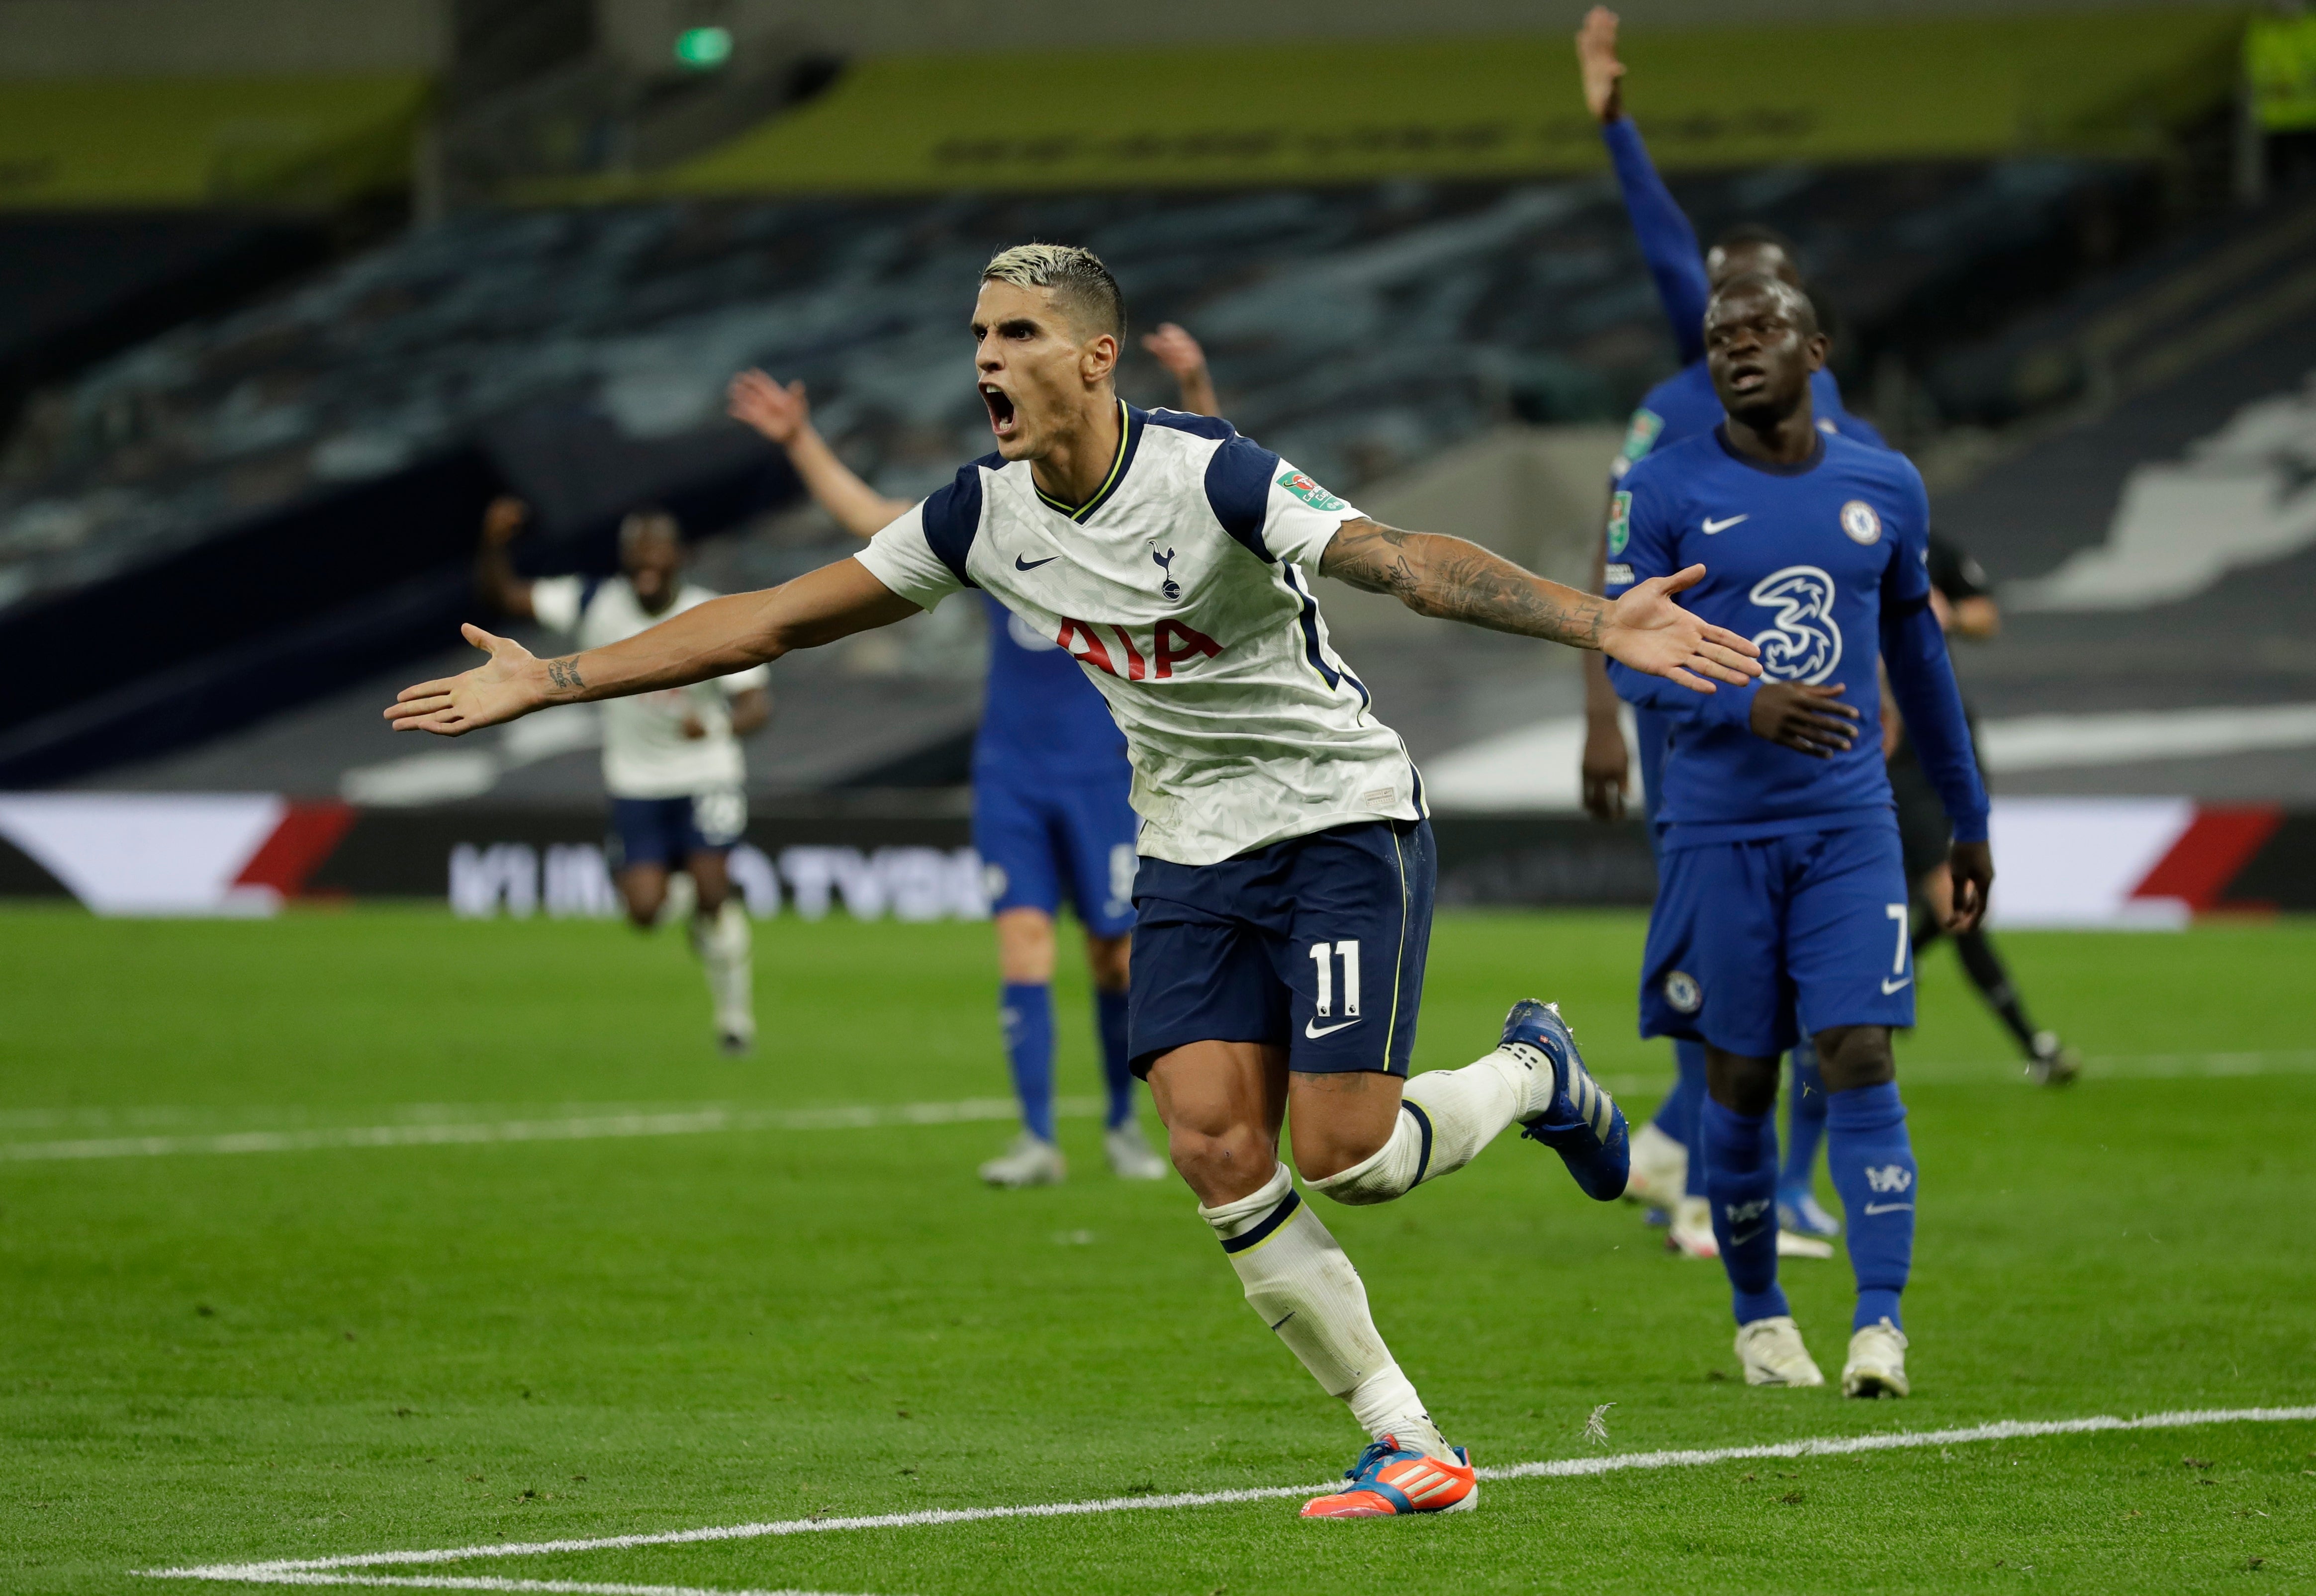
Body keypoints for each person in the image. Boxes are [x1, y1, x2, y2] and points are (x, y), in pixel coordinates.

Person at [391, 244, 1761, 1515]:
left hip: (1338, 819)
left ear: (1097, 358)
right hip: (1185, 846)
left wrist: (1596, 621)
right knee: (1216, 1146)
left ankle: (1534, 1076)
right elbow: (771, 617)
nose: (987, 359)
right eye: (977, 334)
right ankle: (1408, 1435)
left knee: (1346, 1160)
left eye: (1020, 333)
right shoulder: (978, 518)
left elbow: (1401, 558)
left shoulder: (1214, 475)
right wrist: (553, 677)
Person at [722, 323, 1230, 1186]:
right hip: (1013, 776)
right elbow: (867, 521)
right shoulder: (993, 515)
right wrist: (799, 440)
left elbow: (1213, 490)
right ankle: (1037, 1140)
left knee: (1115, 955)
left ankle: (1119, 1128)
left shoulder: (1124, 517)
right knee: (1024, 946)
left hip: (1105, 773)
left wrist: (1198, 384)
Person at [1607, 271, 1994, 1397]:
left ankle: (1881, 1324)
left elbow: (1921, 664)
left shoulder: (1885, 484)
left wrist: (1965, 819)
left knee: (1860, 1050)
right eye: (1722, 333)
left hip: (1848, 822)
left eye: (1762, 329)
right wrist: (1744, 703)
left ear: (1813, 349)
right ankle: (1761, 1315)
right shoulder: (1661, 486)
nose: (1737, 347)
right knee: (1738, 1078)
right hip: (1719, 825)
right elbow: (1621, 652)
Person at [1574, 4, 1884, 1258]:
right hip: (1707, 724)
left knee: (1815, 978)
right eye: (1721, 301)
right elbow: (1610, 580)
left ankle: (1685, 1154)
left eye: (1760, 300)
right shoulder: (1670, 417)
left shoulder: (1836, 420)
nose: (1736, 316)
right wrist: (1618, 129)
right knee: (1756, 974)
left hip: (1826, 727)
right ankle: (1713, 1184)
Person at [474, 498, 770, 1054]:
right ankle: (679, 894)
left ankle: (734, 1021)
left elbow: (756, 706)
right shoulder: (595, 603)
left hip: (706, 773)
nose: (647, 564)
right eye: (637, 555)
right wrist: (492, 544)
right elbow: (504, 597)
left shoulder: (716, 614)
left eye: (657, 552)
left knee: (713, 892)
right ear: (625, 561)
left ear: (679, 556)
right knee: (643, 913)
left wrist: (718, 726)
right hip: (635, 782)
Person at [1883, 534, 2081, 1085]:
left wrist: (1947, 615)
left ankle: (1905, 956)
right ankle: (2034, 1044)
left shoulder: (1928, 547)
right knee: (1957, 901)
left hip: (1946, 736)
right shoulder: (1828, 540)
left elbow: (1984, 618)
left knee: (1954, 895)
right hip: (1888, 746)